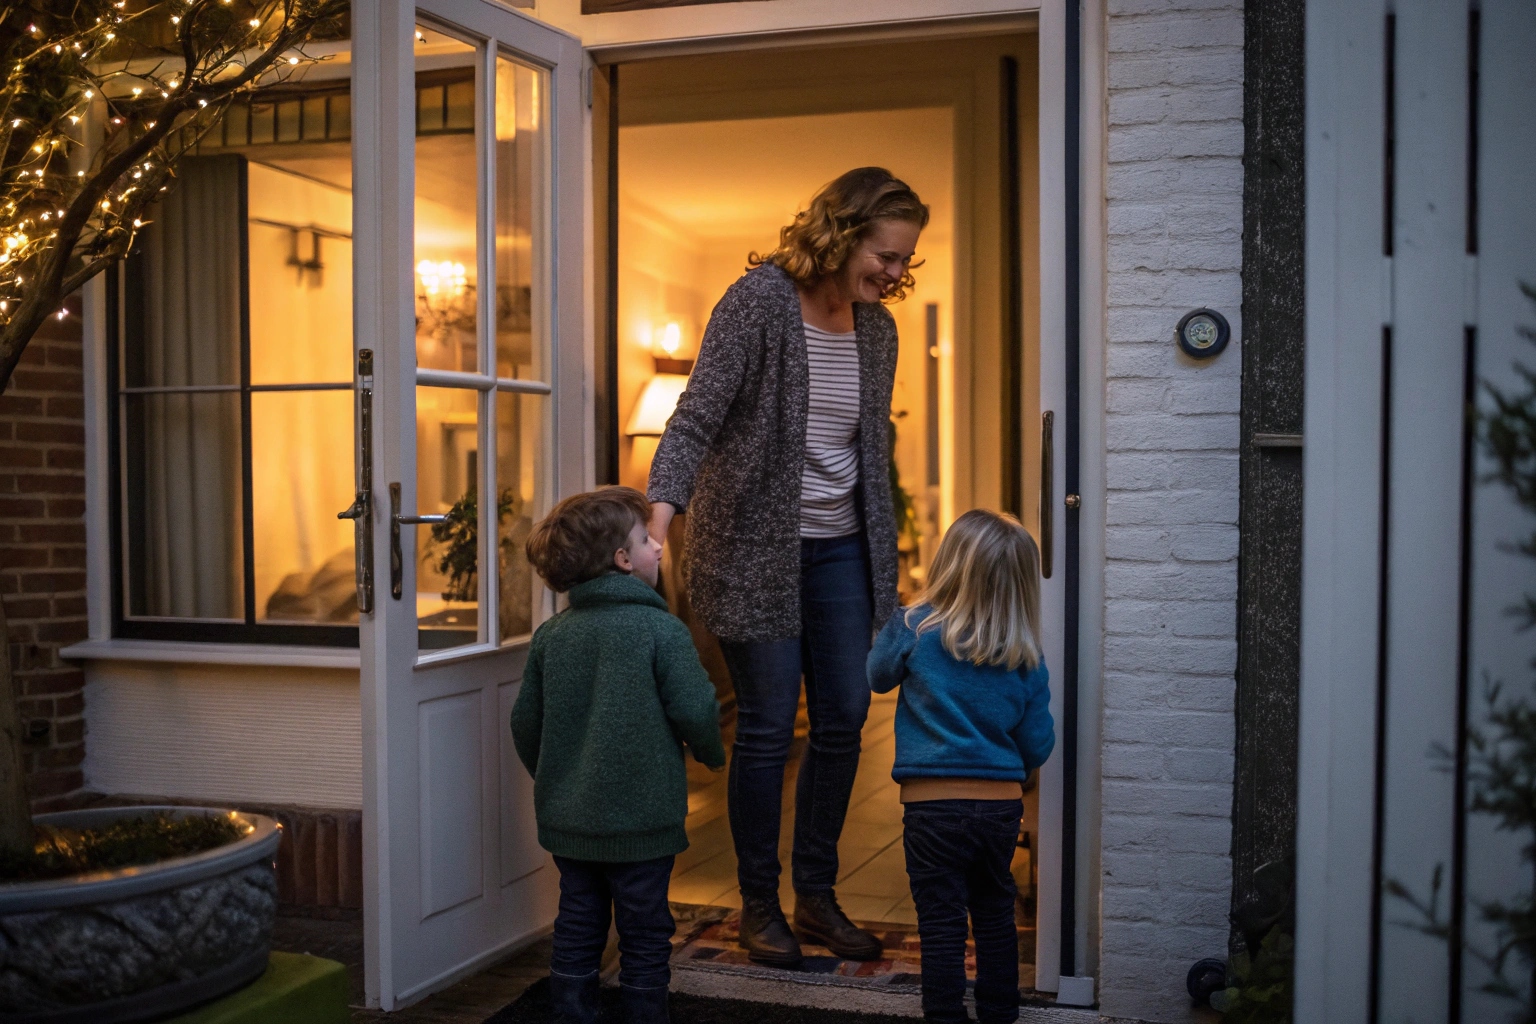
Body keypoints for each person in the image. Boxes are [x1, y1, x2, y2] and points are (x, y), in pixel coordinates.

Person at [646, 167, 929, 966]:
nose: (897, 272)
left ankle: (818, 897)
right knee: (769, 728)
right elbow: (696, 417)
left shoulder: (877, 330)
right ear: (843, 234)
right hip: (752, 547)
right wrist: (659, 512)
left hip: (843, 548)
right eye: (888, 254)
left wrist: (887, 560)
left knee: (843, 718)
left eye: (908, 260)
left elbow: (868, 448)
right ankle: (759, 905)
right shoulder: (758, 303)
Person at [511, 486, 727, 1024]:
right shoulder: (660, 629)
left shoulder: (551, 637)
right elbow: (697, 706)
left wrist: (558, 774)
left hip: (572, 818)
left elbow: (525, 724)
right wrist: (710, 753)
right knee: (645, 925)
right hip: (643, 819)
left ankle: (573, 1011)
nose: (659, 547)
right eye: (647, 539)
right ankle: (644, 1013)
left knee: (579, 918)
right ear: (624, 560)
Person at [867, 509, 1056, 1024]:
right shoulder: (1025, 656)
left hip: (930, 810)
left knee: (941, 921)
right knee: (995, 911)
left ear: (948, 565)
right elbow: (1038, 746)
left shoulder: (913, 629)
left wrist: (897, 620)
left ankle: (945, 1015)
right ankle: (1000, 1012)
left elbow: (877, 677)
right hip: (998, 811)